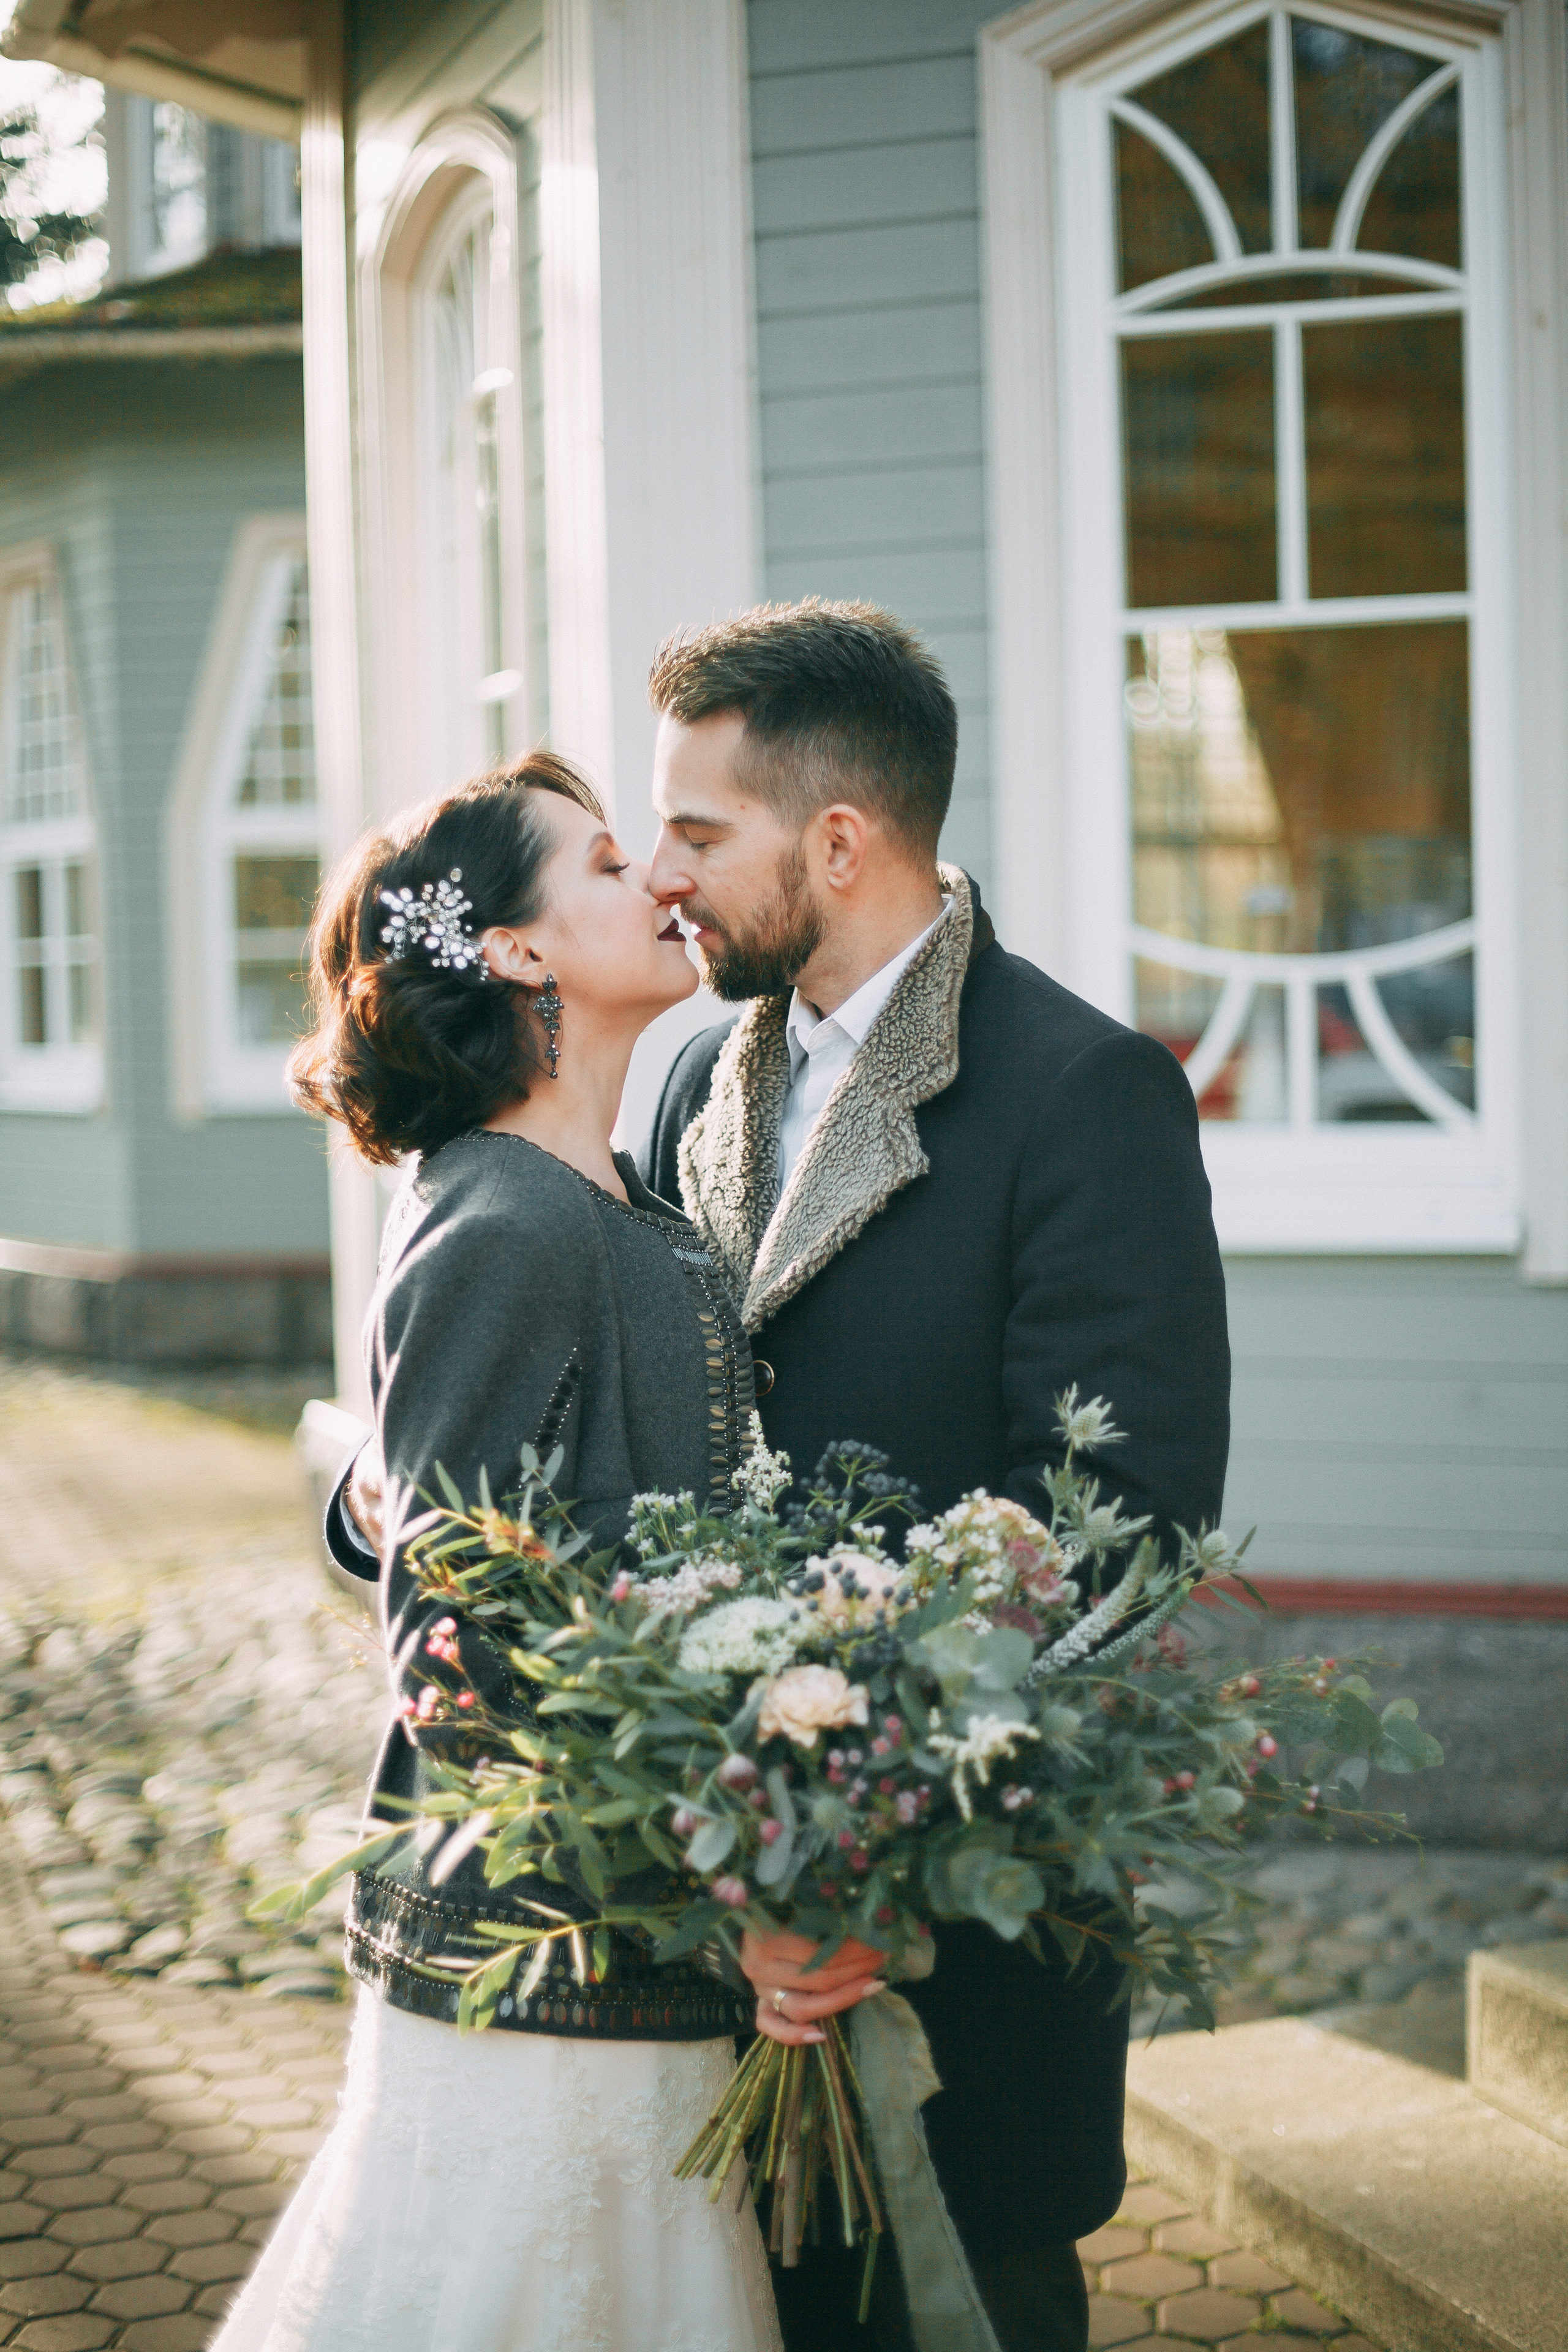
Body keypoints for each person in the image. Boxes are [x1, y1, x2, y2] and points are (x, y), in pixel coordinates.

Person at [637, 600, 1232, 2352]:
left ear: (837, 841)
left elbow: (1120, 1541)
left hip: (963, 1953)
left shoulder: (1084, 1091)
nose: (662, 872)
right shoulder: (688, 1078)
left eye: (695, 830)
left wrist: (862, 1863)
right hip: (728, 1940)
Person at [213, 755, 780, 2352]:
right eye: (607, 865)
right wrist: (741, 1855)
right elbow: (460, 1649)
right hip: (546, 1966)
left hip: (647, 1958)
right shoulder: (503, 1221)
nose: (660, 881)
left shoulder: (631, 1207)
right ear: (520, 951)